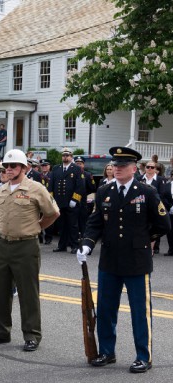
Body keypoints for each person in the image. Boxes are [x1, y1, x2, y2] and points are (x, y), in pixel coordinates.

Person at [77, 146, 171, 373]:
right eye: (115, 165)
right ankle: (107, 352)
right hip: (109, 260)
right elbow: (95, 221)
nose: (116, 169)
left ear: (133, 168)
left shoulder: (146, 192)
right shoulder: (104, 191)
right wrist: (88, 243)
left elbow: (163, 225)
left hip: (136, 261)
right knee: (106, 309)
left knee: (139, 311)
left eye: (121, 165)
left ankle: (143, 356)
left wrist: (143, 240)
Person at [0, 149, 60, 352]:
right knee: (0, 292)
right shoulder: (1, 190)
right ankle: (1, 332)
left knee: (28, 293)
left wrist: (36, 227)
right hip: (3, 244)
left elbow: (53, 213)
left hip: (26, 245)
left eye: (13, 166)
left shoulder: (36, 188)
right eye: (6, 166)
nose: (9, 169)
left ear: (24, 168)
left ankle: (32, 335)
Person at [48, 147, 85, 254]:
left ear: (71, 157)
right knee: (61, 225)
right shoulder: (56, 168)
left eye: (67, 155)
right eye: (63, 155)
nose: (65, 157)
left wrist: (75, 199)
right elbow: (51, 185)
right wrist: (51, 200)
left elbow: (80, 186)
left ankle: (74, 245)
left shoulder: (76, 169)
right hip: (59, 202)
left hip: (71, 202)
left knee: (73, 225)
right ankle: (62, 245)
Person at [140, 160, 166, 254]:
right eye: (148, 167)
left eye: (152, 167)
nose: (150, 169)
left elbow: (162, 194)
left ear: (156, 169)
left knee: (154, 226)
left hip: (154, 207)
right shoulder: (140, 178)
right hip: (141, 207)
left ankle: (154, 248)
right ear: (145, 168)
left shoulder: (160, 180)